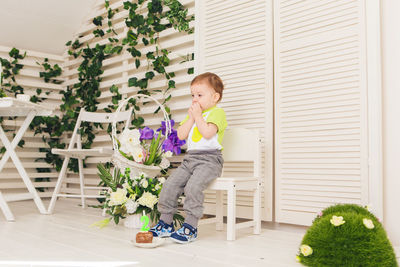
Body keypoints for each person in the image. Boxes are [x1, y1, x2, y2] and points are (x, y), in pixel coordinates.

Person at [150, 72, 227, 243]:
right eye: (193, 95)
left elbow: (207, 133)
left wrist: (198, 116)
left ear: (215, 97)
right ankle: (166, 223)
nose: (195, 99)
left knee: (193, 187)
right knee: (170, 184)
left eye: (200, 95)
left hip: (209, 160)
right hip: (190, 159)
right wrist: (192, 118)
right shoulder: (193, 115)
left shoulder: (217, 113)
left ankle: (190, 226)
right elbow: (181, 135)